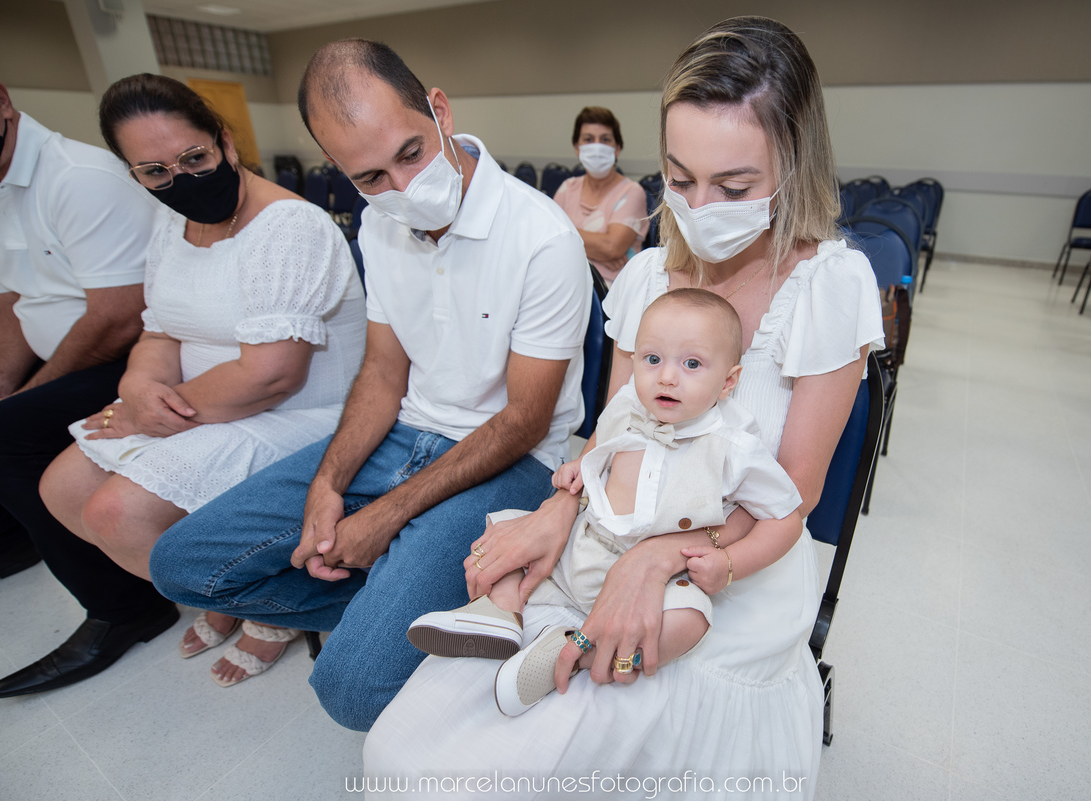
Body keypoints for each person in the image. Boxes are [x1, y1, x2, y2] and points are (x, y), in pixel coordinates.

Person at [365, 16, 884, 799]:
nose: (702, 207)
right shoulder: (645, 279)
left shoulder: (829, 288)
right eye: (679, 178)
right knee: (409, 751)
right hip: (608, 528)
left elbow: (795, 494)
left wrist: (659, 557)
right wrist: (554, 513)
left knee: (535, 750)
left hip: (735, 554)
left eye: (735, 187)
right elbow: (613, 437)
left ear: (794, 164)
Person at [147, 39, 591, 729]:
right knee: (181, 564)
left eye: (411, 153)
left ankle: (417, 607)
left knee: (350, 690)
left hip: (509, 458)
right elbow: (384, 372)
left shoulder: (542, 237)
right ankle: (404, 601)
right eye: (371, 177)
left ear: (439, 110)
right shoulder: (382, 229)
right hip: (405, 432)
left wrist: (385, 517)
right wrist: (330, 485)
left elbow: (526, 421)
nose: (403, 188)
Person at [36, 73, 367, 688]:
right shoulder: (171, 227)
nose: (180, 180)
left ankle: (272, 607)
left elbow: (272, 377)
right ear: (135, 176)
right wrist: (138, 388)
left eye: (194, 158)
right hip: (201, 402)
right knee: (62, 487)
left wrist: (148, 413)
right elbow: (161, 332)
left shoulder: (288, 227)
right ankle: (226, 586)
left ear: (226, 143)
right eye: (156, 171)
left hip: (298, 412)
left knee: (117, 514)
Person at [408, 288, 806, 717]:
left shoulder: (735, 448)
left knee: (690, 620)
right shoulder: (626, 406)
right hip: (586, 540)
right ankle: (499, 612)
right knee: (505, 527)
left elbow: (786, 518)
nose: (667, 377)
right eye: (653, 359)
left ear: (728, 382)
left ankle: (572, 653)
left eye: (691, 364)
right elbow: (601, 453)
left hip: (654, 580)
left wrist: (730, 565)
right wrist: (579, 470)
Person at [0, 51, 181, 699]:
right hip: (61, 350)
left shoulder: (77, 176)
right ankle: (2, 541)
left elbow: (116, 316)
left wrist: (28, 396)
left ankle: (126, 607)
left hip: (133, 356)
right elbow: (7, 301)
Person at [552, 107, 647, 285]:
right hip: (567, 282)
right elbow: (547, 238)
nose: (596, 146)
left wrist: (566, 236)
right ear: (577, 148)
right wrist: (599, 252)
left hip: (612, 290)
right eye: (588, 139)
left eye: (605, 139)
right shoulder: (567, 188)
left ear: (617, 148)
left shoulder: (632, 192)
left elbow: (611, 247)